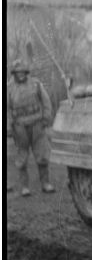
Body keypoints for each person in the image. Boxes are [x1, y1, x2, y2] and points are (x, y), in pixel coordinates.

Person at [7, 59, 55, 196]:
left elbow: (46, 102)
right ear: (14, 73)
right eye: (17, 72)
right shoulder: (8, 88)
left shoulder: (36, 84)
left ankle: (46, 183)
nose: (20, 74)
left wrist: (46, 118)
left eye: (22, 71)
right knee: (22, 158)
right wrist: (8, 127)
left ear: (26, 72)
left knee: (42, 155)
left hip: (37, 125)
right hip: (20, 128)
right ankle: (24, 187)